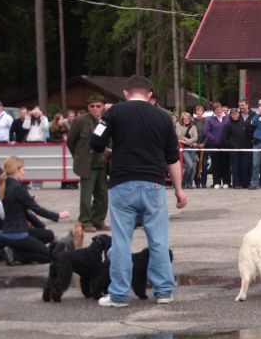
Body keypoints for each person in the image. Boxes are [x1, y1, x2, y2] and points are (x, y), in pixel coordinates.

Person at [89, 75, 187, 306]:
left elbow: (95, 142)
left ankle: (120, 295)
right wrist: (179, 191)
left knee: (122, 241)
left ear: (125, 93)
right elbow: (173, 159)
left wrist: (109, 152)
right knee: (159, 240)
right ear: (150, 94)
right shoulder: (163, 118)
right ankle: (164, 291)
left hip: (122, 183)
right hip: (154, 184)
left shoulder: (114, 113)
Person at [0, 156, 70, 264]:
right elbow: (36, 208)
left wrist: (42, 227)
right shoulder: (18, 189)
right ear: (16, 170)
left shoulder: (6, 184)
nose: (24, 172)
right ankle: (16, 255)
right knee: (50, 257)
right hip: (18, 235)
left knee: (48, 234)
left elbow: (26, 212)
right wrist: (58, 215)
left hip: (8, 233)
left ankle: (17, 250)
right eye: (23, 169)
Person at [66, 95, 109, 231]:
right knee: (86, 195)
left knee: (102, 195)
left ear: (103, 106)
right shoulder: (80, 121)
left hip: (103, 162)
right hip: (87, 164)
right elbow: (70, 141)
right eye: (92, 106)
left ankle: (98, 220)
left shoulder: (107, 120)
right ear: (88, 107)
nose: (95, 109)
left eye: (98, 106)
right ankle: (85, 221)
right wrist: (78, 156)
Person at [223, 107, 252, 188]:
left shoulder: (243, 123)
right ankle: (236, 183)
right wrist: (231, 145)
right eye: (233, 114)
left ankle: (245, 183)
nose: (235, 115)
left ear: (238, 114)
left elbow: (248, 135)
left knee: (244, 166)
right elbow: (225, 138)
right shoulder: (228, 125)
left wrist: (248, 144)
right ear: (230, 115)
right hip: (234, 150)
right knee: (235, 166)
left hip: (244, 149)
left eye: (236, 114)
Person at [175, 112, 199, 189]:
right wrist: (190, 142)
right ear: (182, 119)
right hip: (183, 148)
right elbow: (179, 136)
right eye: (184, 118)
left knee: (193, 167)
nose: (186, 120)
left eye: (188, 118)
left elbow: (196, 137)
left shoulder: (193, 127)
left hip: (192, 148)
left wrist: (188, 141)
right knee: (190, 165)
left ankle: (189, 183)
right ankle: (184, 181)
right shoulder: (178, 126)